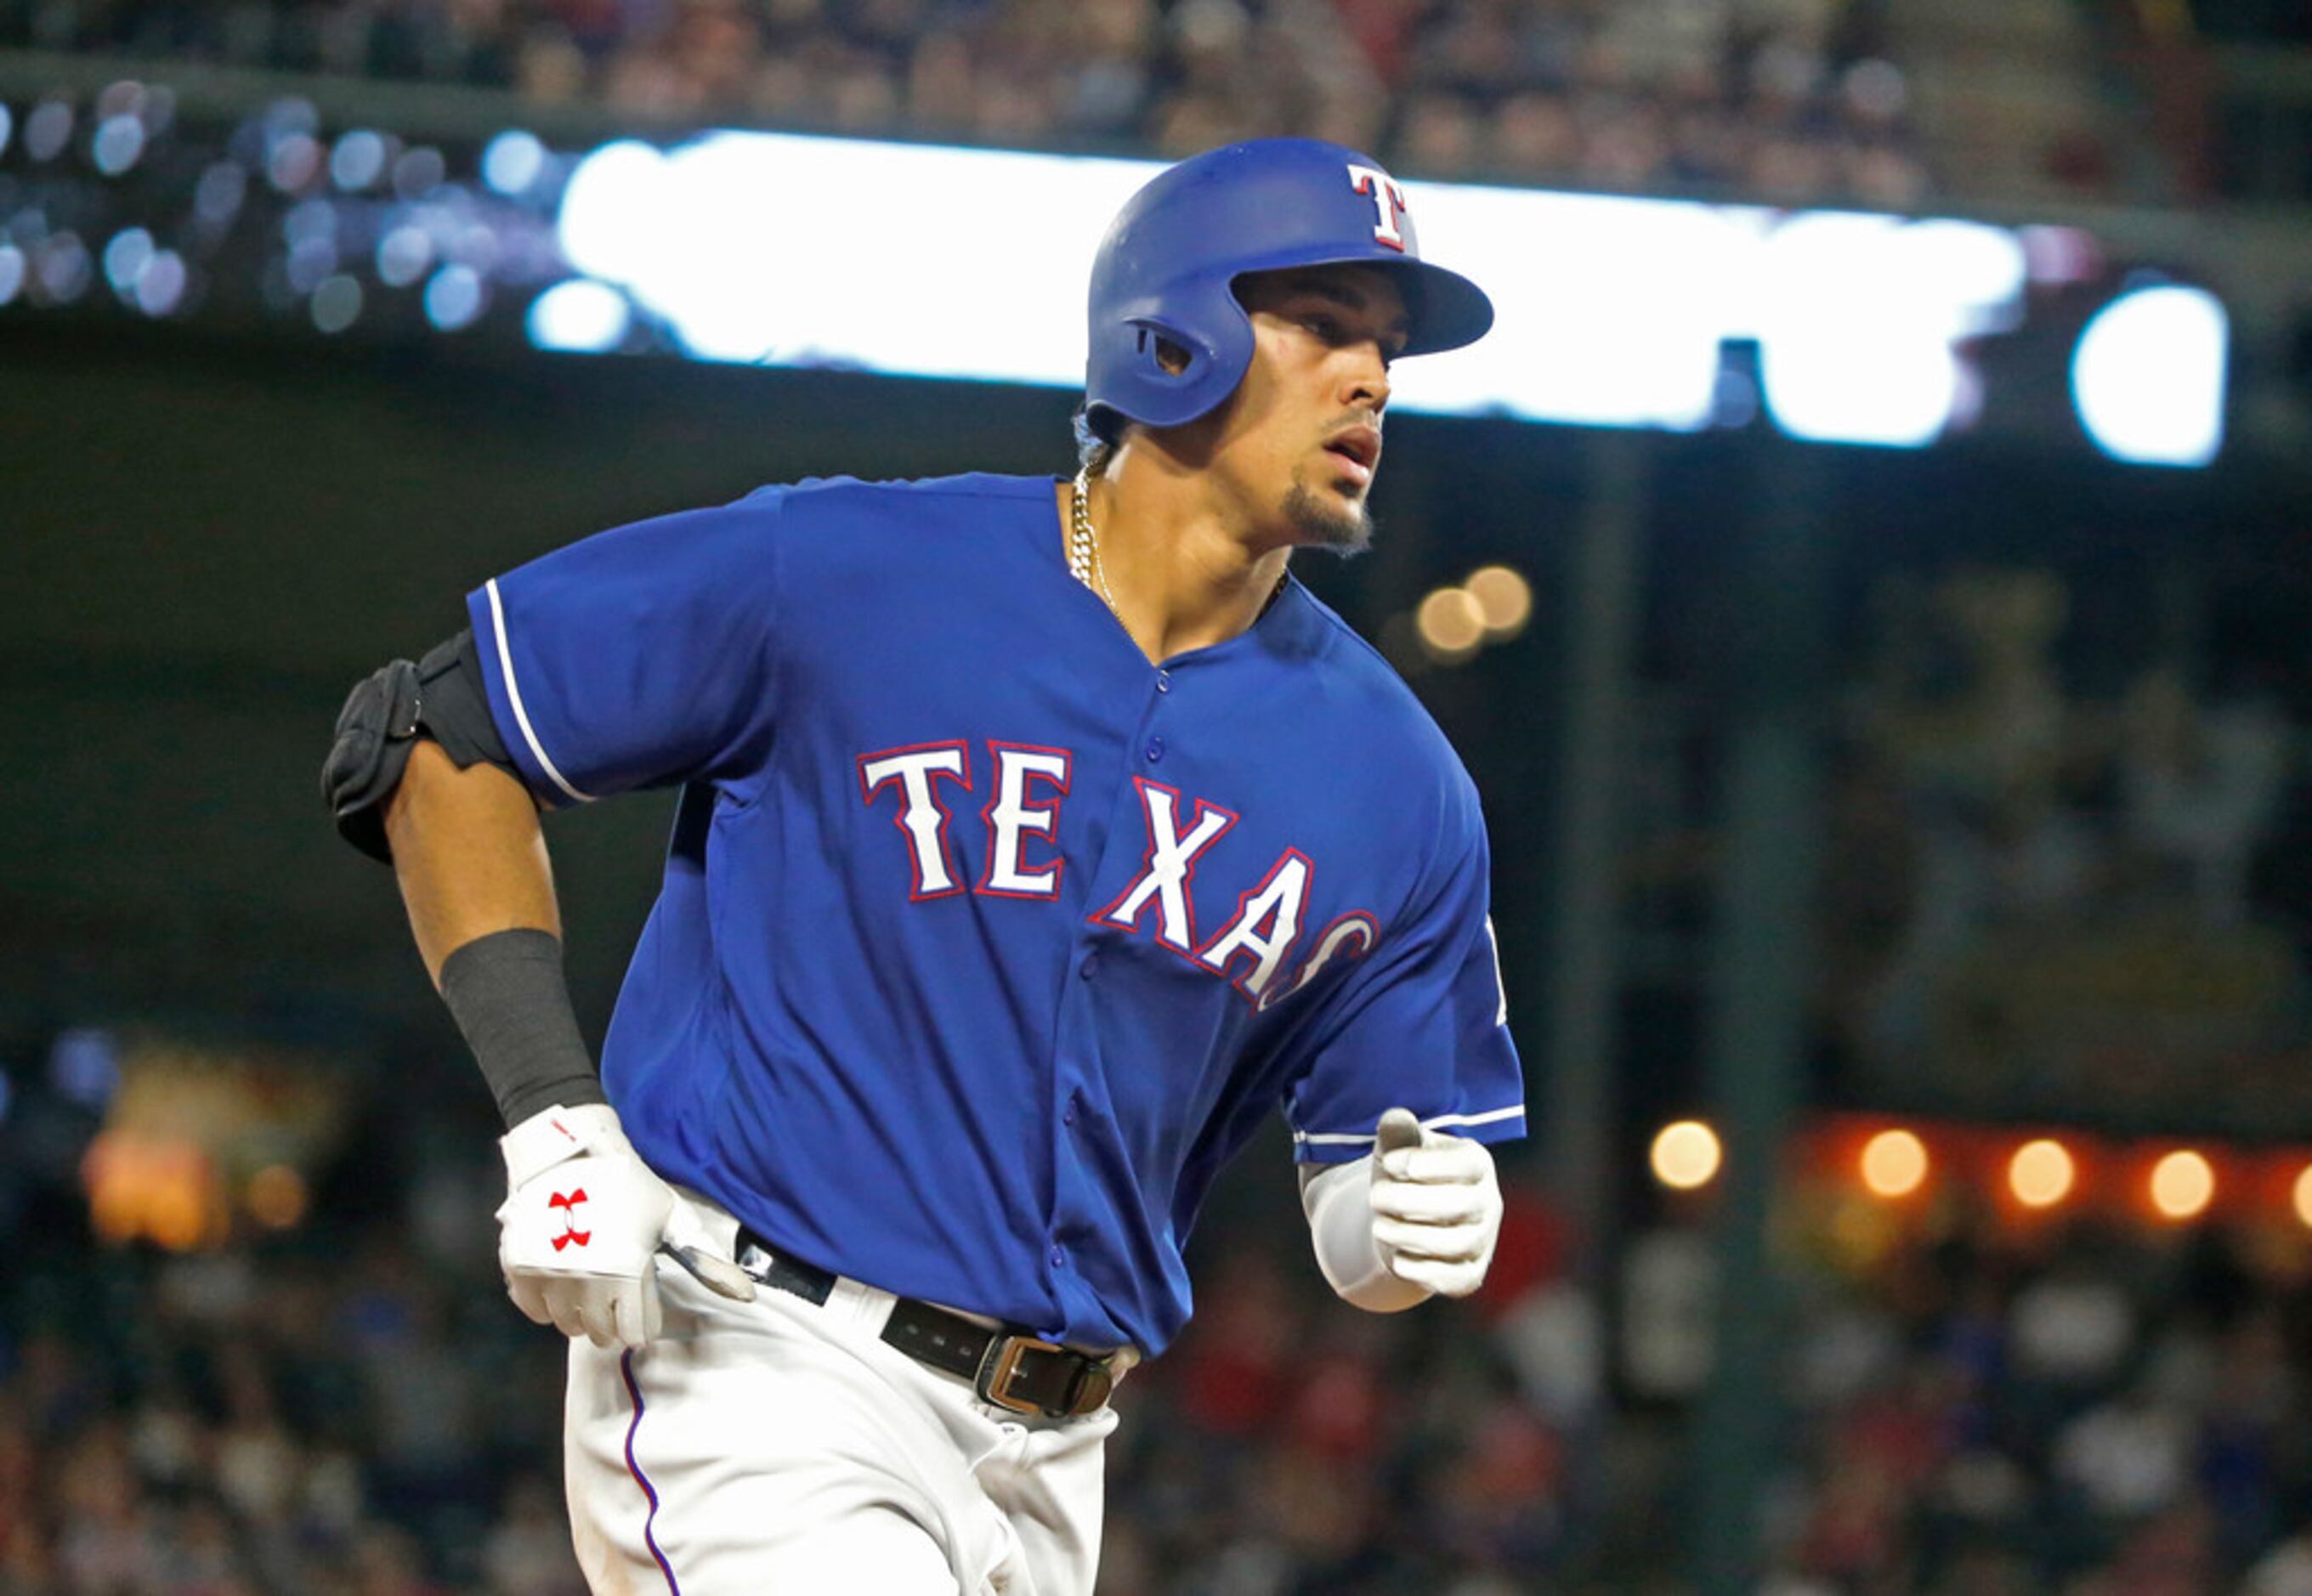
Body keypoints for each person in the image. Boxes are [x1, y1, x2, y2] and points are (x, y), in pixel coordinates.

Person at [322, 137, 1525, 1595]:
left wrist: (1407, 1223)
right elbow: (438, 734)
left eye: (1386, 344)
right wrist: (554, 1121)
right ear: (1171, 330)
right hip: (764, 1360)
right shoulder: (850, 570)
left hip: (1061, 1454)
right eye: (1323, 320)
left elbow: (1360, 1199)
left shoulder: (1399, 783)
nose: (1372, 377)